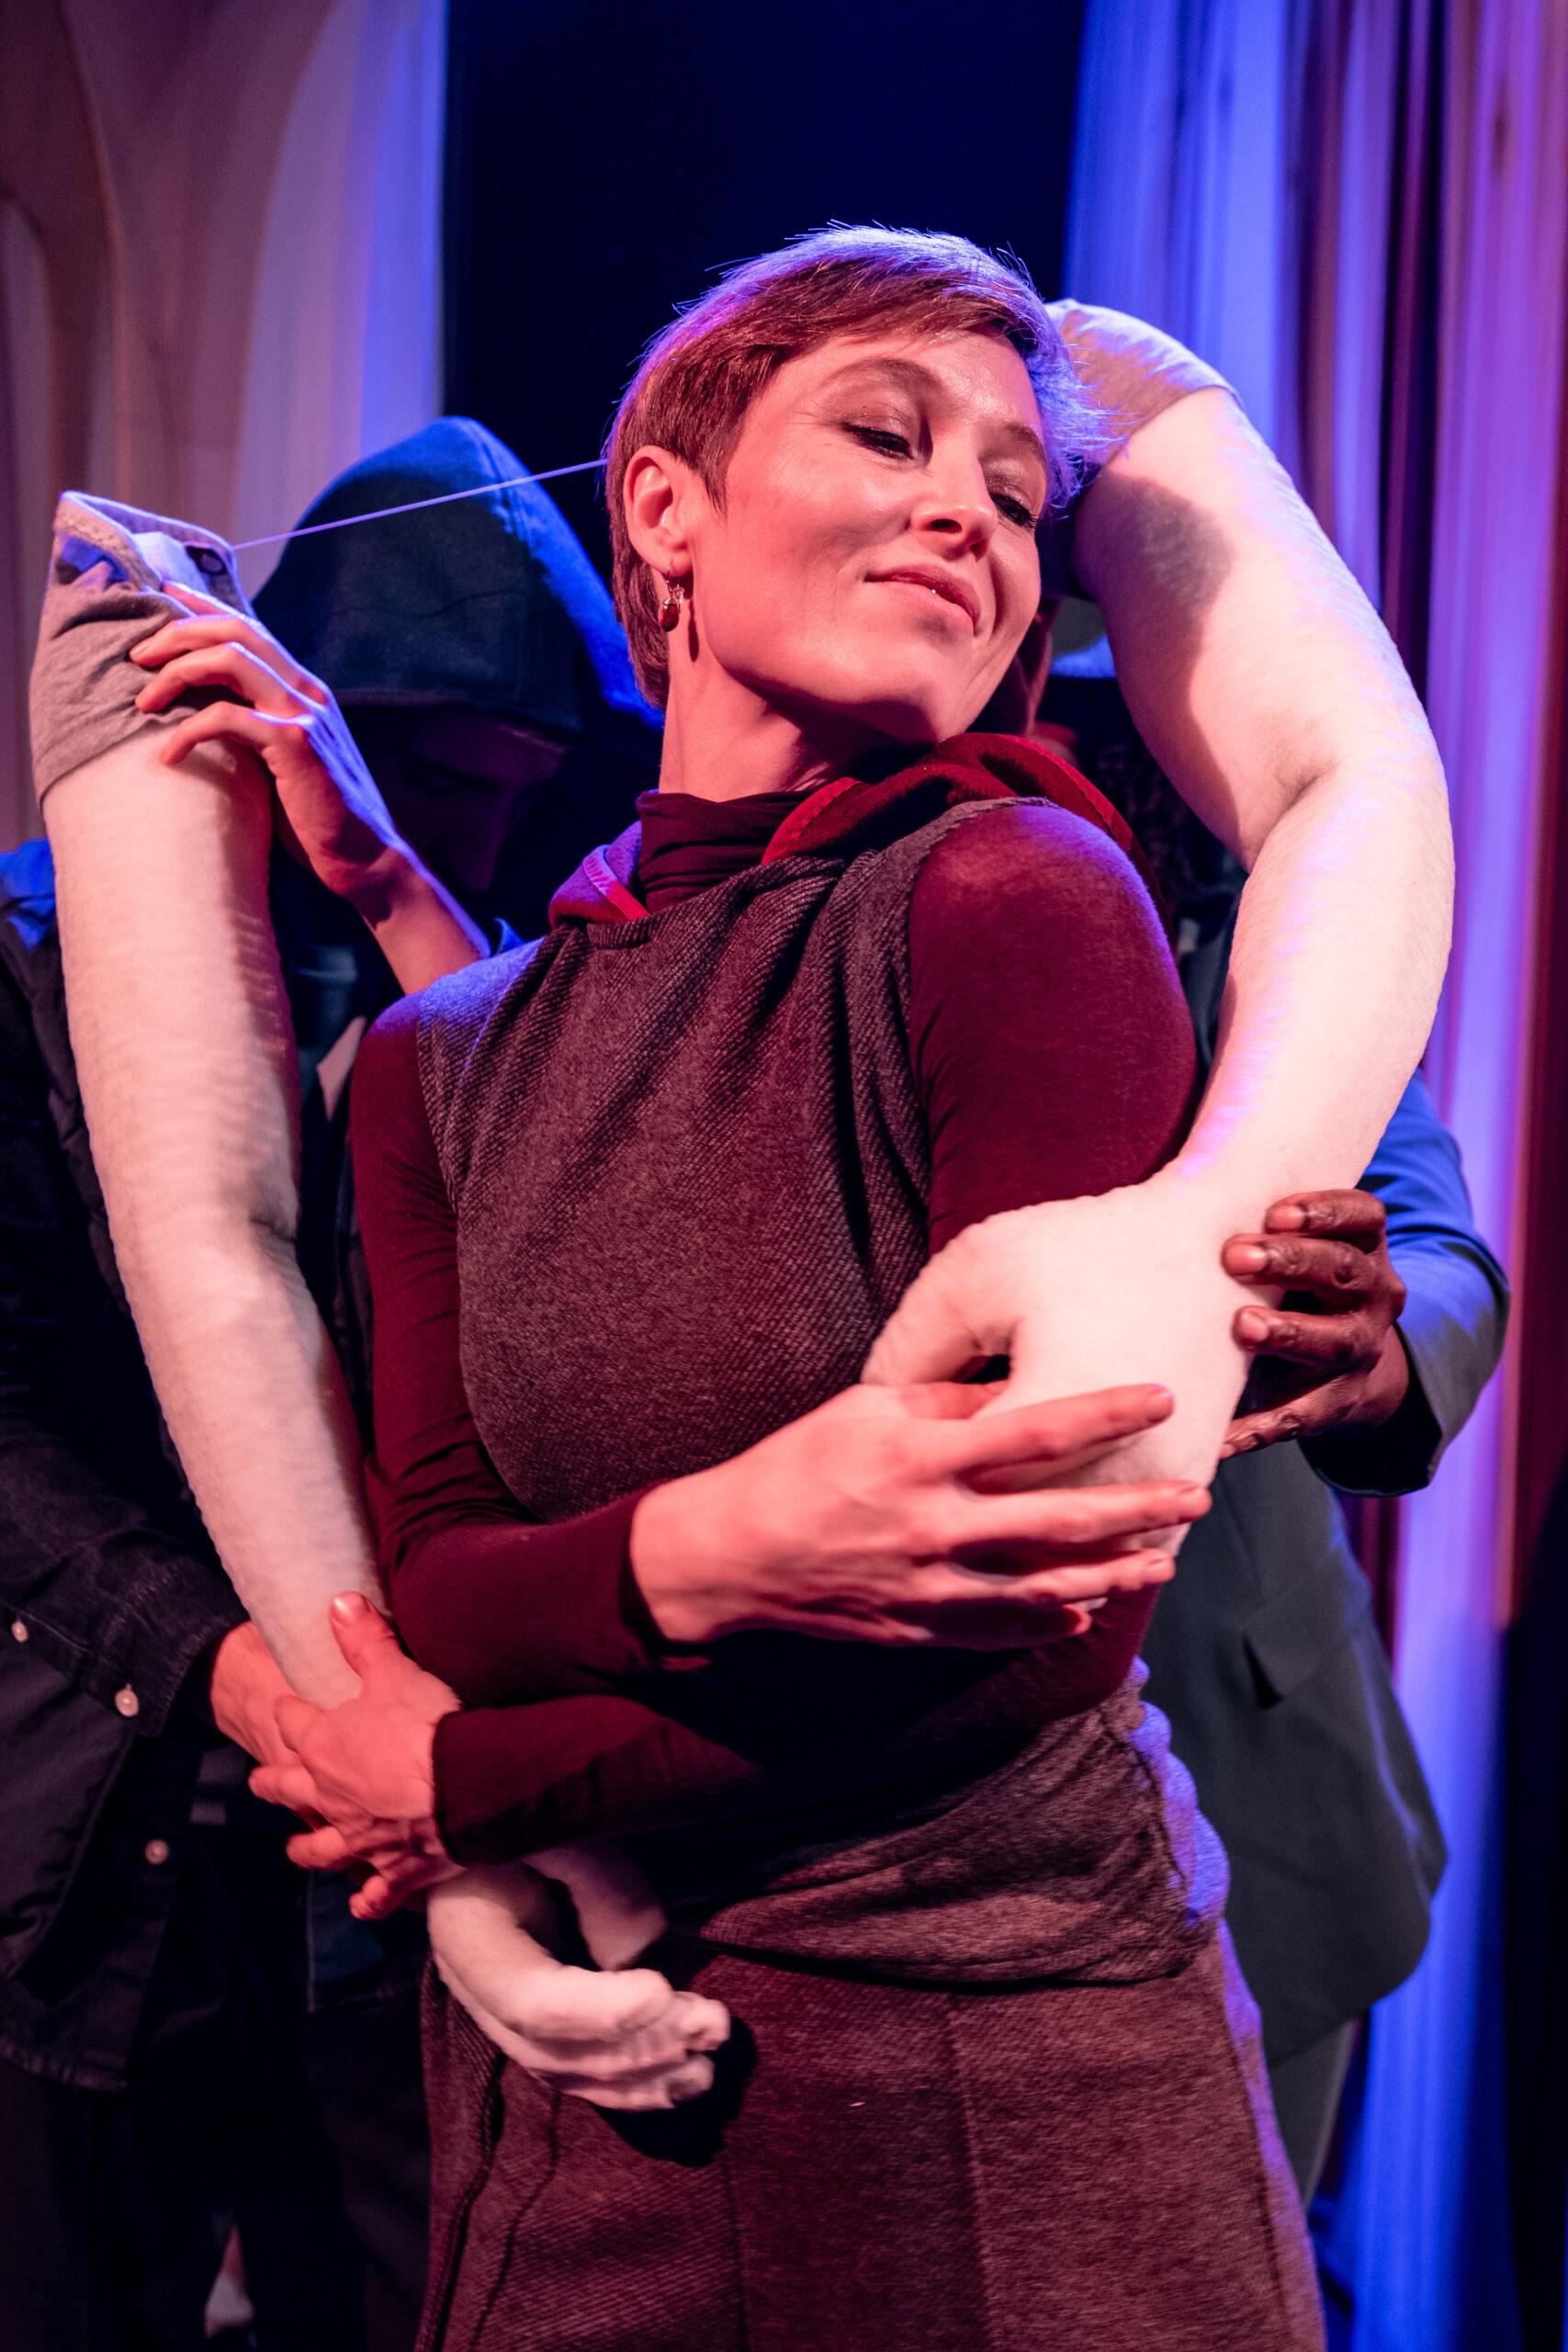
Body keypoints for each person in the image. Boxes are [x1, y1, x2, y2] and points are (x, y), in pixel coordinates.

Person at [251, 226, 1338, 2349]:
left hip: (997, 2064)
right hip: (591, 2065)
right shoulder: (439, 1051)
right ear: (664, 506)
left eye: (1013, 492)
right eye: (885, 434)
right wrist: (688, 1557)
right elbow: (448, 1573)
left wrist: (463, 1786)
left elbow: (1038, 1622)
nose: (966, 512)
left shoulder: (1018, 894)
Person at [0, 415, 655, 2351]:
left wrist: (403, 888)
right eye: (438, 777)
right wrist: (242, 1673)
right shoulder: (32, 959)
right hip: (87, 1827)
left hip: (385, 1870)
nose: (483, 841)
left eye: (520, 796)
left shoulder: (482, 975)